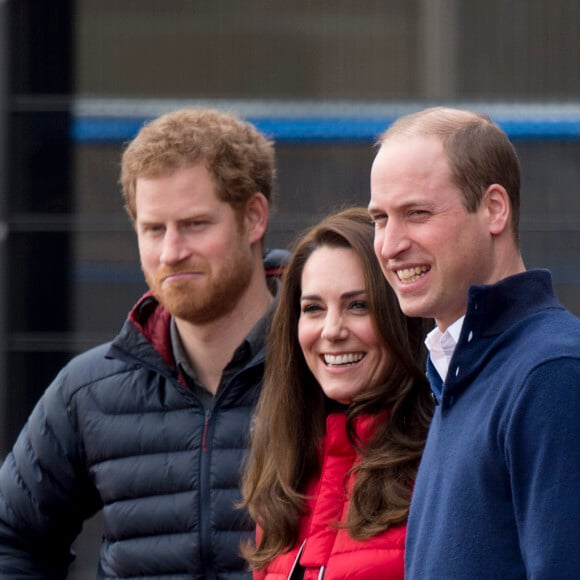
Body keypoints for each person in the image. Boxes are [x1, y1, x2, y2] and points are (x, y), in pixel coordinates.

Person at [0, 108, 289, 578]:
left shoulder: (327, 365)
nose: (171, 252)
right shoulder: (89, 389)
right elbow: (12, 538)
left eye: (195, 224)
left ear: (253, 218)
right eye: (154, 229)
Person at [369, 106, 580, 579]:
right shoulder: (461, 368)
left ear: (494, 209)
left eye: (416, 213)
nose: (389, 244)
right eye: (380, 219)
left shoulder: (552, 372)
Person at [241, 207, 433, 579]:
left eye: (358, 306)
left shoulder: (441, 461)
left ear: (400, 316)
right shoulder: (286, 474)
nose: (331, 330)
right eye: (313, 309)